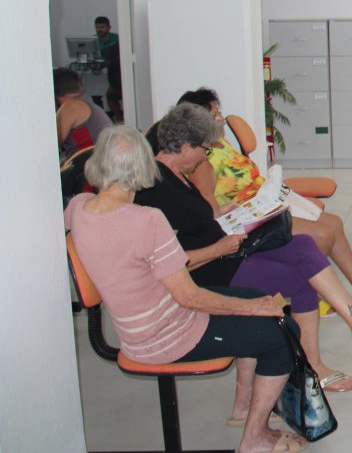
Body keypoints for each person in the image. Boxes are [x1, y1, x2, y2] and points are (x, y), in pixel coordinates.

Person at [134, 103, 352, 394]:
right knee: (300, 282)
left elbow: (194, 224)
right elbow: (169, 262)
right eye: (204, 149)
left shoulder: (177, 175)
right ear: (184, 146)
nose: (206, 156)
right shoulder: (155, 190)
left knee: (303, 245)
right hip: (210, 268)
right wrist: (219, 247)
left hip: (225, 249)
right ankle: (313, 368)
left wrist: (226, 215)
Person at [64, 126, 307, 453]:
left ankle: (244, 408)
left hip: (138, 329)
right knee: (282, 331)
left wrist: (254, 304)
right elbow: (189, 297)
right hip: (167, 336)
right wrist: (254, 309)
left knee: (255, 297)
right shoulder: (147, 220)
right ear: (143, 167)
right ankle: (255, 439)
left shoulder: (79, 207)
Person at [174, 87, 352, 309]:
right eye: (214, 115)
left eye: (219, 112)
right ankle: (314, 296)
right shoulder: (200, 161)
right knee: (322, 235)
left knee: (334, 223)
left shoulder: (219, 142)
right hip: (250, 216)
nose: (221, 119)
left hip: (267, 200)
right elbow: (210, 210)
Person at [55, 67, 113, 162]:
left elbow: (52, 144)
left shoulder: (71, 106)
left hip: (95, 164)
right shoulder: (85, 100)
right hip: (103, 161)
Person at [95, 16, 123, 122]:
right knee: (107, 94)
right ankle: (119, 119)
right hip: (109, 73)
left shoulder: (118, 39)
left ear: (109, 27)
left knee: (111, 94)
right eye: (97, 27)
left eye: (102, 27)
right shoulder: (94, 41)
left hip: (118, 74)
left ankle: (120, 119)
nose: (99, 30)